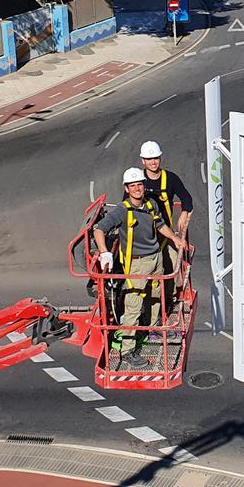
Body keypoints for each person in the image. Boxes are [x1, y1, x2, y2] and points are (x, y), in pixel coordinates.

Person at [95, 167, 189, 369]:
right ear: (127, 189)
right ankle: (127, 350)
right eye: (133, 186)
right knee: (133, 306)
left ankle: (153, 327)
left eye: (139, 184)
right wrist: (104, 252)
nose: (137, 189)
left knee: (157, 295)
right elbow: (99, 230)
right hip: (137, 265)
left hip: (155, 259)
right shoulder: (122, 210)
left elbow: (160, 224)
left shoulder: (150, 203)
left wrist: (174, 239)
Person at [138, 141, 193, 308]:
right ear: (143, 161)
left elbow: (186, 199)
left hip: (165, 233)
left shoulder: (170, 179)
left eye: (155, 158)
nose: (153, 162)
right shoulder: (137, 181)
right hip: (143, 236)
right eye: (149, 159)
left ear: (160, 158)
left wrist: (184, 214)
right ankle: (145, 305)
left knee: (172, 266)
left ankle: (168, 300)